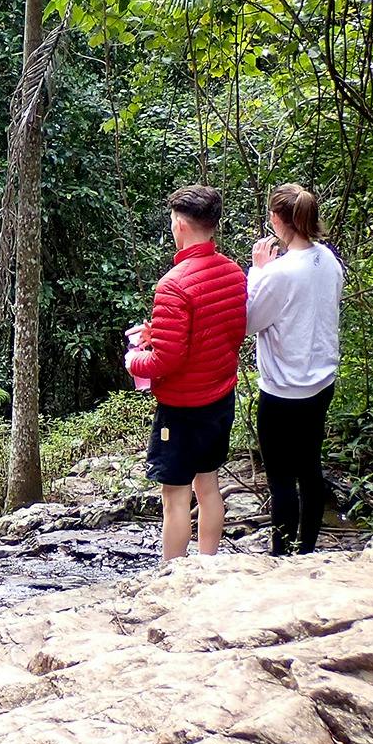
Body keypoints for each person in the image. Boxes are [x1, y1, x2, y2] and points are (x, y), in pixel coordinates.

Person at [127, 185, 248, 561]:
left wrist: (134, 361)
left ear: (179, 224)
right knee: (208, 486)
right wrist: (159, 332)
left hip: (181, 409)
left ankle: (172, 578)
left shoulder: (173, 285)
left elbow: (165, 361)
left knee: (175, 497)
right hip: (219, 397)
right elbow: (228, 331)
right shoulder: (232, 272)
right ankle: (208, 567)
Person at [247, 184, 344, 555]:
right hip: (321, 382)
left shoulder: (280, 272)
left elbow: (249, 322)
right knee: (310, 468)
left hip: (283, 390)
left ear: (276, 219)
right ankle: (306, 550)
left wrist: (257, 273)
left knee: (281, 478)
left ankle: (280, 556)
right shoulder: (329, 260)